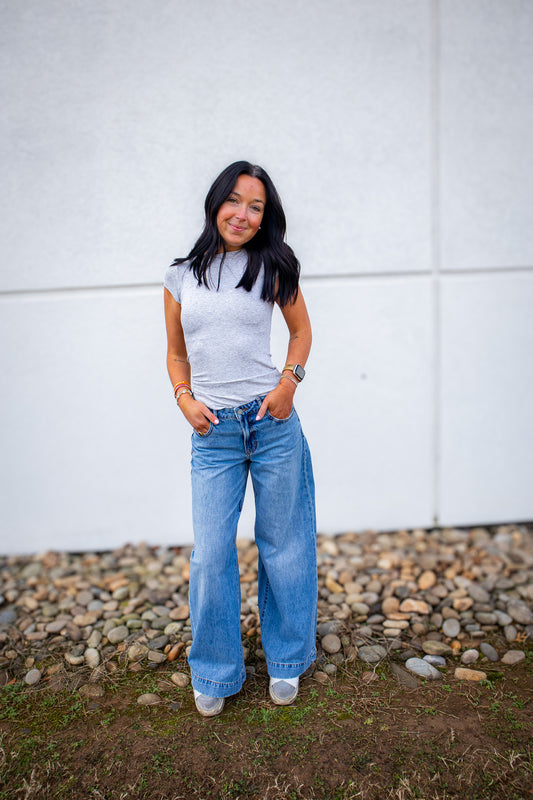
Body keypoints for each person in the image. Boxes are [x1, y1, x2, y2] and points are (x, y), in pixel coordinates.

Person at [163, 161, 317, 717]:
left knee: (286, 545)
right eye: (235, 201)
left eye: (256, 206)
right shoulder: (181, 275)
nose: (243, 214)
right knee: (210, 555)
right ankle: (216, 668)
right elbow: (176, 351)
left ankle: (287, 660)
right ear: (215, 203)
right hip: (214, 433)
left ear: (265, 215)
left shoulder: (273, 264)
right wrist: (184, 398)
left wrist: (288, 386)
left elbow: (301, 333)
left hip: (272, 424)